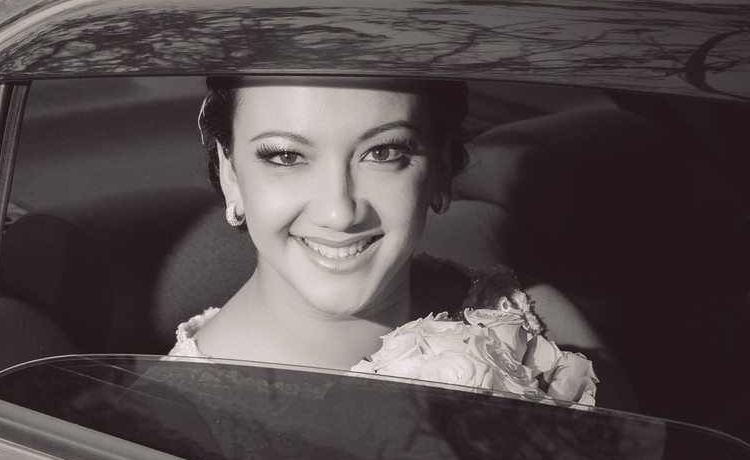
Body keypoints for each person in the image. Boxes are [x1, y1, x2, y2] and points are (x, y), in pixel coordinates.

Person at [170, 76, 636, 411]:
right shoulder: (169, 420)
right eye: (286, 156)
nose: (339, 212)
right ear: (230, 174)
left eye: (384, 152)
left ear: (439, 167)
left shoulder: (541, 325)